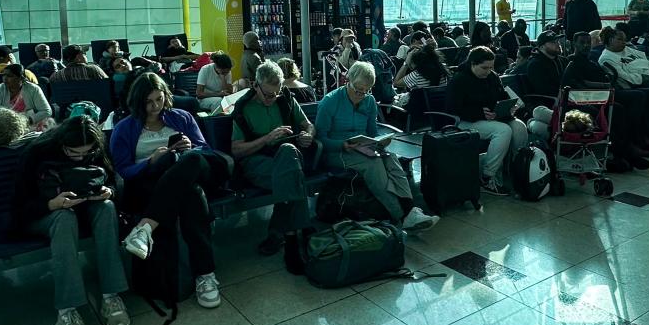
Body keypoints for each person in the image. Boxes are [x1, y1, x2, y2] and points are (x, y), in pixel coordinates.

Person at [109, 73, 223, 308]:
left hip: (189, 170)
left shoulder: (181, 117)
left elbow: (205, 149)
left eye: (159, 100)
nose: (155, 107)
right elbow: (122, 170)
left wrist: (190, 148)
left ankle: (145, 229)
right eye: (149, 102)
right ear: (138, 102)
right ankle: (205, 274)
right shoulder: (124, 128)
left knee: (189, 162)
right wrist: (151, 161)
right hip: (150, 184)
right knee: (192, 197)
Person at [15, 116, 130, 325]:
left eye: (85, 153)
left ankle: (110, 296)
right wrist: (52, 204)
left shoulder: (95, 148)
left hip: (83, 208)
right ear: (62, 144)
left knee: (107, 208)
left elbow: (115, 178)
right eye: (73, 153)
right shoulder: (36, 153)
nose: (80, 158)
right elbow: (18, 208)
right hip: (44, 214)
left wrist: (109, 191)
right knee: (64, 218)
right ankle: (67, 310)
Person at [314, 61, 437, 230]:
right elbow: (321, 138)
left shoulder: (369, 101)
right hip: (337, 152)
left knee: (392, 158)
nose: (361, 93)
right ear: (348, 80)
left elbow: (372, 132)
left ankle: (409, 210)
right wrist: (343, 145)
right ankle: (401, 215)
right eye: (358, 88)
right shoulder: (331, 101)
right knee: (375, 164)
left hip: (362, 148)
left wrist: (380, 141)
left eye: (366, 90)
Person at [231, 61, 318, 255]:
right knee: (292, 174)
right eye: (268, 94)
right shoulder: (243, 107)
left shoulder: (285, 98)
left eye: (276, 93)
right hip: (256, 162)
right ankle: (298, 228)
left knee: (288, 152)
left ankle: (281, 234)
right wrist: (267, 138)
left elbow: (308, 124)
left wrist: (308, 135)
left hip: (288, 156)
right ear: (256, 85)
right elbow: (236, 151)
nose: (273, 98)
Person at [561, 32, 649, 166]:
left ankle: (633, 142)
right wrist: (601, 86)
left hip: (602, 94)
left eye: (588, 42)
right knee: (619, 108)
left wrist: (606, 84)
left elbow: (604, 77)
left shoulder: (591, 62)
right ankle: (624, 150)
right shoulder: (572, 63)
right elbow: (575, 86)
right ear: (574, 44)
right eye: (582, 43)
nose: (586, 46)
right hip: (585, 99)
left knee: (638, 97)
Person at [447, 47, 529, 193]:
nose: (488, 71)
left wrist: (508, 106)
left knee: (519, 127)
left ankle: (518, 167)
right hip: (467, 121)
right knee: (503, 131)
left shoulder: (492, 76)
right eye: (484, 67)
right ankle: (487, 176)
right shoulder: (459, 80)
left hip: (493, 117)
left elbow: (502, 95)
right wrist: (479, 112)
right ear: (472, 63)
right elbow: (453, 108)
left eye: (491, 67)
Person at [0, 63, 54, 131]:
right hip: (6, 125)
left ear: (21, 78)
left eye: (9, 76)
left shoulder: (33, 89)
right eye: (3, 75)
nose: (5, 78)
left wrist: (28, 120)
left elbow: (47, 111)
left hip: (29, 123)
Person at [523, 32, 565, 101]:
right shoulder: (535, 65)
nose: (558, 44)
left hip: (566, 97)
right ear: (542, 47)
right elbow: (544, 89)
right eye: (553, 42)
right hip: (548, 102)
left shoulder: (562, 60)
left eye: (557, 41)